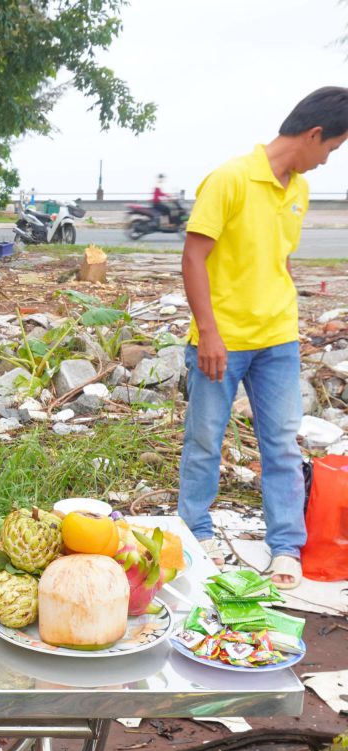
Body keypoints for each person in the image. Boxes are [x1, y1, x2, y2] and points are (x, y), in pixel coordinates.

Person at [179, 86, 348, 589]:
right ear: (314, 134)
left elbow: (279, 259)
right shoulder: (230, 179)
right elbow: (193, 257)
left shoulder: (298, 189)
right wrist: (208, 333)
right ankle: (196, 531)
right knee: (205, 441)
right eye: (332, 148)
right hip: (223, 341)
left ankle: (285, 548)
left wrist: (292, 315)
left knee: (280, 444)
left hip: (278, 340)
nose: (329, 159)